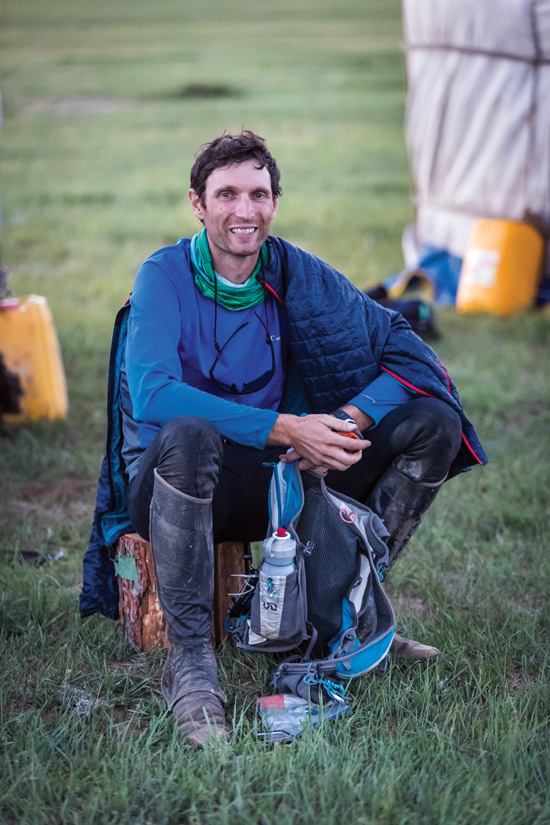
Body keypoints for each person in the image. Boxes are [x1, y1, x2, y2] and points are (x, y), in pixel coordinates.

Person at [82, 131, 486, 746]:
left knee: (436, 422)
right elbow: (154, 394)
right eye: (227, 194)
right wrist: (285, 426)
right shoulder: (163, 275)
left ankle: (350, 609)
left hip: (279, 476)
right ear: (197, 202)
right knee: (190, 432)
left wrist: (346, 422)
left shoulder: (295, 272)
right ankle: (191, 667)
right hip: (181, 483)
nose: (244, 210)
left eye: (258, 194)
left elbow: (406, 350)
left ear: (274, 202)